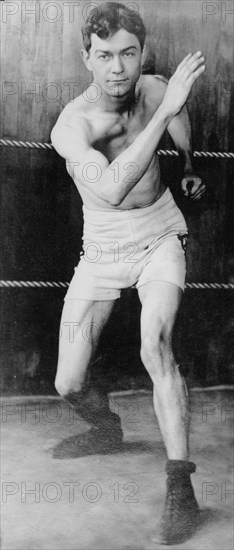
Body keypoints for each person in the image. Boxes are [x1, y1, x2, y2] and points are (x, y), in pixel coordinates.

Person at [51, 2, 206, 544]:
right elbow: (113, 188)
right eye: (104, 56)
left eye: (128, 54)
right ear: (86, 58)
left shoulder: (159, 88)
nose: (117, 68)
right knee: (67, 382)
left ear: (141, 53)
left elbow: (177, 112)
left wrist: (187, 165)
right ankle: (105, 426)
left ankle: (180, 487)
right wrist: (165, 116)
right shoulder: (73, 125)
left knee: (154, 345)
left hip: (161, 233)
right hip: (101, 249)